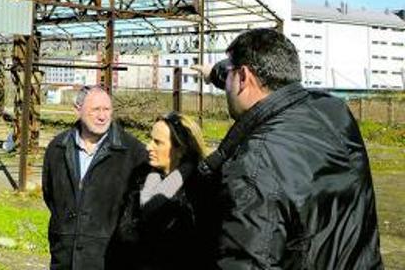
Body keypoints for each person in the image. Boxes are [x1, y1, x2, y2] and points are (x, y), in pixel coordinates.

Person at [194, 28, 383, 268]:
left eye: (230, 73)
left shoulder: (255, 165)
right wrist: (215, 73)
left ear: (243, 77)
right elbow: (264, 90)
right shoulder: (333, 110)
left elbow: (246, 261)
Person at [41, 85, 149, 270]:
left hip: (109, 258)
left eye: (107, 109)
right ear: (78, 110)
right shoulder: (57, 148)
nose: (102, 116)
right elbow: (51, 195)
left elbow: (144, 205)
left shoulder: (132, 152)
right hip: (65, 257)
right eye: (95, 110)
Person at [120, 112, 212, 269]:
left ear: (180, 149)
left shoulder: (200, 192)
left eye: (157, 142)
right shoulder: (139, 179)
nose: (148, 147)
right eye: (150, 139)